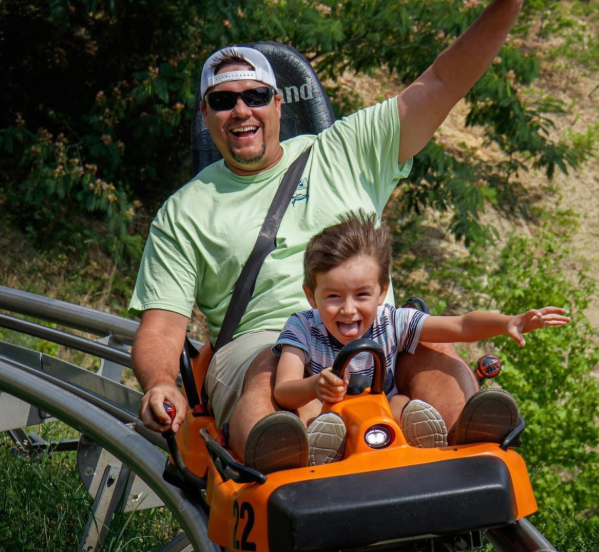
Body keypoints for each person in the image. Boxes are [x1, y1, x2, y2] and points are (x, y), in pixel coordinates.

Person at [129, 0, 526, 473]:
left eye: (255, 96)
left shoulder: (345, 149)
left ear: (278, 102)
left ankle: (469, 437)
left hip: (368, 324)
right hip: (264, 341)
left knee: (429, 343)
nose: (241, 110)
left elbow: (442, 84)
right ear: (206, 114)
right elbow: (162, 327)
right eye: (223, 100)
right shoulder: (184, 211)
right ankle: (277, 455)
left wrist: (508, 6)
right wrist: (159, 382)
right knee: (269, 365)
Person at [272, 211, 569, 466]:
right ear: (311, 296)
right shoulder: (303, 327)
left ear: (382, 292)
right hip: (328, 414)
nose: (348, 310)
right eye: (333, 297)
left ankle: (426, 439)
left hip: (380, 422)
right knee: (306, 409)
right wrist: (315, 385)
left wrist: (508, 322)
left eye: (362, 295)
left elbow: (462, 326)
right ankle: (319, 450)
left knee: (402, 401)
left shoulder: (392, 320)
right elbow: (284, 390)